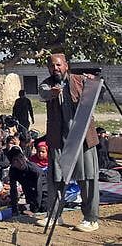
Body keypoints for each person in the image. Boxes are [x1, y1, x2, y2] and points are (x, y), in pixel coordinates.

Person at [39, 52, 100, 232]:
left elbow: (98, 89)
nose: (55, 68)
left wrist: (93, 82)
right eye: (52, 66)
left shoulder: (80, 80)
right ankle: (54, 216)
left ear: (66, 65)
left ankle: (91, 218)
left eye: (58, 65)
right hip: (59, 139)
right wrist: (52, 92)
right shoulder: (48, 84)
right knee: (56, 178)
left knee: (88, 178)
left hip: (83, 138)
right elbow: (43, 93)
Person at [7, 147, 47, 215]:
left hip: (44, 193)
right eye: (16, 160)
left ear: (24, 157)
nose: (20, 162)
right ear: (12, 164)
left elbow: (39, 190)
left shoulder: (34, 170)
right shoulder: (13, 171)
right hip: (29, 194)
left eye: (21, 157)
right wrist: (14, 208)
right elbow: (13, 190)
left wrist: (34, 209)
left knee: (43, 208)